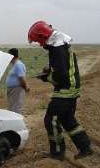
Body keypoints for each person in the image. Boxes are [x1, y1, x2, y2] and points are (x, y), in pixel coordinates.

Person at [28, 21, 93, 160]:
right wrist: (50, 70)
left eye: (38, 41)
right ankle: (85, 147)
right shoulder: (61, 45)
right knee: (68, 119)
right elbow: (63, 68)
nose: (40, 44)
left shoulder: (56, 49)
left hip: (65, 91)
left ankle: (57, 154)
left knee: (51, 120)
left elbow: (61, 75)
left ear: (42, 36)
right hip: (71, 89)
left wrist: (46, 77)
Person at [5, 48, 28, 114]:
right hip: (13, 90)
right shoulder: (15, 65)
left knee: (16, 107)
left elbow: (21, 78)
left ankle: (17, 121)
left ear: (12, 56)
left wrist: (25, 87)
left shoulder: (18, 65)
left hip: (17, 89)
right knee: (12, 106)